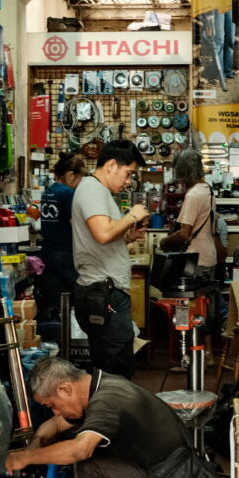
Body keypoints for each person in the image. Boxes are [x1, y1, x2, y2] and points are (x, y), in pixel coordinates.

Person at [4, 355, 190, 478]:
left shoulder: (106, 401)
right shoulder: (99, 385)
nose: (56, 413)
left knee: (91, 466)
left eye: (52, 405)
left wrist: (24, 458)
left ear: (65, 389)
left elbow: (80, 450)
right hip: (173, 476)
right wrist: (36, 444)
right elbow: (54, 425)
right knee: (90, 448)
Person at [71, 139, 149, 379]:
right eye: (128, 174)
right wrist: (131, 216)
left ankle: (111, 414)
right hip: (102, 291)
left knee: (113, 363)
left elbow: (101, 240)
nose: (128, 182)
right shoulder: (92, 189)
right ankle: (112, 416)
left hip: (106, 290)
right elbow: (103, 234)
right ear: (112, 165)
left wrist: (127, 237)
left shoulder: (98, 190)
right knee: (116, 370)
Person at [160, 149, 222, 365]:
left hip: (195, 259)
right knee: (206, 307)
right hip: (209, 255)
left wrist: (164, 243)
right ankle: (208, 354)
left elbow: (185, 233)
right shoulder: (208, 190)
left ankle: (187, 357)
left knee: (188, 309)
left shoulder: (193, 195)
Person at [37, 152, 87, 316]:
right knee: (80, 296)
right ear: (71, 175)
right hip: (65, 254)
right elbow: (76, 225)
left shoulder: (48, 192)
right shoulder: (68, 193)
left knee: (54, 301)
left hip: (47, 253)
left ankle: (55, 338)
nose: (79, 183)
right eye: (79, 178)